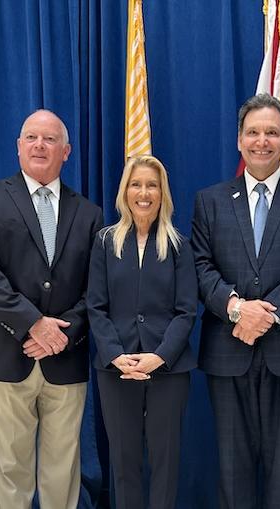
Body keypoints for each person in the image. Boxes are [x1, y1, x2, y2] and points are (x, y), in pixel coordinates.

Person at [191, 93, 280, 509]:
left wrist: (266, 315)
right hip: (227, 349)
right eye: (253, 132)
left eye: (272, 132)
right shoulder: (210, 200)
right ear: (239, 140)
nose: (262, 141)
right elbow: (200, 265)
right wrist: (237, 308)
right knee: (232, 468)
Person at [0, 109, 102, 508]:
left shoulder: (89, 214)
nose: (40, 145)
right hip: (7, 354)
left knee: (64, 467)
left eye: (50, 139)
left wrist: (62, 333)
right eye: (31, 138)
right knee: (10, 467)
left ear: (67, 151)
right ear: (18, 147)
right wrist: (32, 325)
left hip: (65, 355)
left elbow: (98, 287)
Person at [87, 155, 197, 509]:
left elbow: (186, 311)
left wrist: (158, 357)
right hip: (116, 368)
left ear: (162, 193)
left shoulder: (179, 245)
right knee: (123, 461)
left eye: (152, 185)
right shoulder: (105, 242)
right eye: (136, 184)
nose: (144, 193)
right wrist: (116, 355)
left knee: (165, 462)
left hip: (167, 368)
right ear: (125, 192)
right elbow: (96, 306)